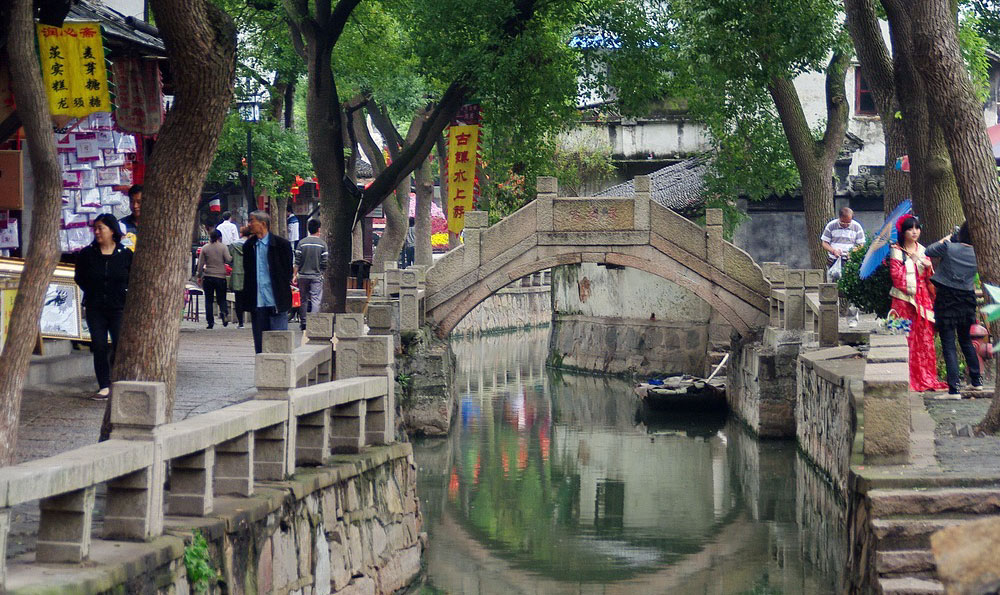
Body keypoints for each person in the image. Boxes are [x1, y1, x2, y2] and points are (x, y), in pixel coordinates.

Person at [74, 213, 133, 401]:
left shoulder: (125, 254)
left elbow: (132, 278)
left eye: (101, 228)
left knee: (118, 345)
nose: (97, 232)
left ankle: (117, 380)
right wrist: (93, 290)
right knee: (99, 345)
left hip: (118, 307)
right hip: (95, 307)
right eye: (96, 228)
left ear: (112, 230)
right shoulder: (87, 254)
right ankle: (104, 385)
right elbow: (80, 277)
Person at [889, 215, 948, 392]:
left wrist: (927, 266)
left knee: (924, 338)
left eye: (917, 228)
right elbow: (896, 277)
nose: (915, 232)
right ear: (903, 232)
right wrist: (913, 263)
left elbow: (930, 278)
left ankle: (926, 375)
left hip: (923, 299)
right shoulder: (896, 250)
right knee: (904, 337)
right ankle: (904, 376)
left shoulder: (923, 249)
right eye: (910, 228)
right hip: (903, 300)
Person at [927, 222, 982, 395]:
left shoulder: (949, 248)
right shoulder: (978, 254)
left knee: (949, 343)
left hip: (946, 299)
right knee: (965, 340)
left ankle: (954, 387)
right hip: (967, 299)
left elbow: (929, 251)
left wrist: (946, 239)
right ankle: (976, 380)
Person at [243, 210, 294, 354]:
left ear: (263, 224)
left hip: (277, 301)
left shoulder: (281, 245)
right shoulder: (249, 246)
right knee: (260, 347)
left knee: (279, 345)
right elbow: (247, 273)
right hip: (258, 303)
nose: (249, 224)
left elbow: (287, 272)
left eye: (252, 221)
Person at [294, 218, 329, 331]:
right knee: (315, 299)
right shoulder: (322, 244)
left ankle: (303, 322)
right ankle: (313, 322)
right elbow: (325, 261)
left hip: (302, 276)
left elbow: (297, 261)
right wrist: (321, 272)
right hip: (316, 276)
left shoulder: (302, 243)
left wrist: (295, 274)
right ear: (319, 229)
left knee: (303, 299)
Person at [197, 229, 232, 329]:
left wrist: (199, 275)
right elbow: (228, 259)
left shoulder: (205, 248)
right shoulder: (223, 247)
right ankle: (224, 313)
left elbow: (200, 264)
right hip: (221, 276)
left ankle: (210, 322)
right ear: (219, 237)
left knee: (209, 300)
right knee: (221, 298)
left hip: (208, 276)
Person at [820, 207, 866, 281]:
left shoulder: (857, 227)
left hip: (849, 260)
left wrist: (853, 252)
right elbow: (824, 243)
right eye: (842, 222)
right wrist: (833, 251)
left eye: (848, 222)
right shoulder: (831, 225)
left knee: (848, 282)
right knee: (832, 283)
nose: (845, 225)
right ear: (839, 218)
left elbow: (861, 244)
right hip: (833, 260)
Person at [228, 225, 252, 329]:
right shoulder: (252, 245)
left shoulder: (233, 245)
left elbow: (229, 259)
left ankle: (240, 323)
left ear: (241, 234)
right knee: (251, 297)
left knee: (238, 299)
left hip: (237, 274)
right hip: (249, 275)